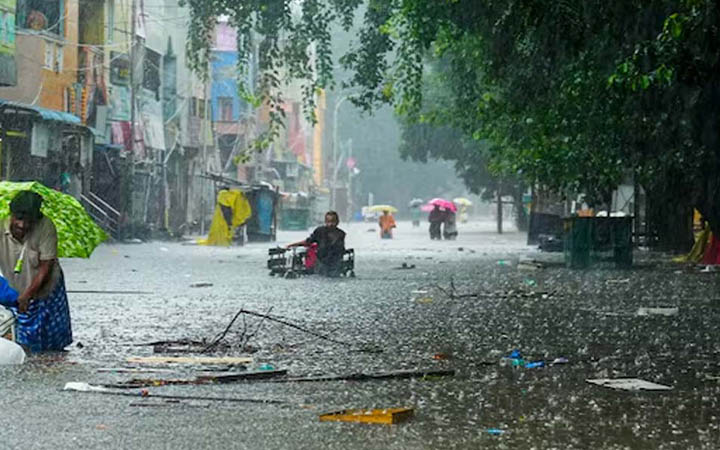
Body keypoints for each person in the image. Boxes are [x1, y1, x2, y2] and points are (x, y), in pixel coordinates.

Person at [0, 191, 72, 352]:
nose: (22, 225)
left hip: (47, 286)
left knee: (52, 340)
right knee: (22, 337)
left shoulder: (46, 227)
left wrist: (28, 294)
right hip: (17, 288)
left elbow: (46, 266)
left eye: (28, 221)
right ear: (11, 215)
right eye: (19, 219)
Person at [287, 211, 346, 277]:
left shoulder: (340, 234)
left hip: (335, 264)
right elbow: (308, 241)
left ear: (337, 222)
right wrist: (293, 245)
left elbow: (340, 250)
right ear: (325, 222)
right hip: (321, 262)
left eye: (333, 221)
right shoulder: (320, 231)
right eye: (328, 221)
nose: (330, 224)